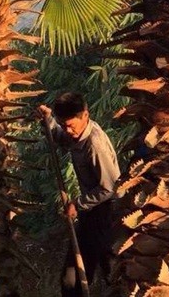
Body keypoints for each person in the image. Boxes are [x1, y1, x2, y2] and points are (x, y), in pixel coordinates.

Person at [38, 92, 120, 297]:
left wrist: (77, 203)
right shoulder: (77, 132)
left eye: (70, 125)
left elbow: (109, 188)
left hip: (107, 214)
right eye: (63, 124)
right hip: (92, 212)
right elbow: (60, 136)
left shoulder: (95, 145)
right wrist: (47, 120)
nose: (68, 130)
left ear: (85, 115)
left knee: (109, 271)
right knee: (73, 277)